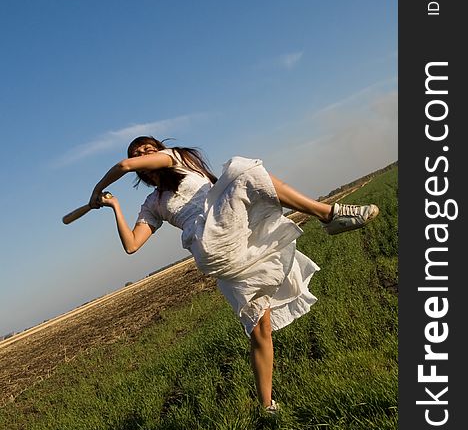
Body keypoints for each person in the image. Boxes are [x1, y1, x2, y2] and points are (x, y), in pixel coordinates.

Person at [89, 136, 379, 414]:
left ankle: (267, 406)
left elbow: (123, 166)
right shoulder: (153, 203)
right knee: (242, 169)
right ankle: (330, 215)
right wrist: (115, 206)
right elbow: (132, 245)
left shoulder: (179, 159)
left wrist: (97, 188)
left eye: (147, 149)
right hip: (209, 245)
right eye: (136, 153)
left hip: (237, 242)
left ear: (160, 151)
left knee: (260, 330)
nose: (141, 156)